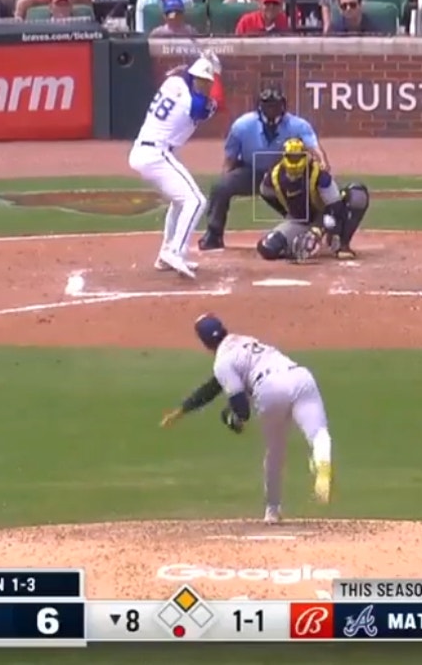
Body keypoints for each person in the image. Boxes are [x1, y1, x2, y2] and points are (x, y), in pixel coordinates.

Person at [161, 313, 334, 522]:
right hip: (300, 377)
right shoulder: (246, 341)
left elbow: (241, 407)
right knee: (318, 433)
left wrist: (234, 419)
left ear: (205, 344)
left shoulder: (222, 361)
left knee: (275, 451)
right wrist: (182, 410)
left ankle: (272, 510)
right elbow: (213, 387)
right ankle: (322, 462)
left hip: (270, 388)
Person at [198, 85, 328, 251]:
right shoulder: (242, 125)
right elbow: (230, 158)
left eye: (275, 105)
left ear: (283, 105)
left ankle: (310, 227)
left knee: (305, 197)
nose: (272, 109)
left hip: (284, 176)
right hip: (251, 172)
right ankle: (213, 235)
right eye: (267, 105)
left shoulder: (298, 125)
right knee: (220, 187)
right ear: (260, 105)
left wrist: (322, 161)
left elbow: (313, 146)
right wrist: (226, 180)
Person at [128, 53, 223, 278]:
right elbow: (214, 102)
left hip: (146, 150)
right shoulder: (196, 105)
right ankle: (176, 252)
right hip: (156, 153)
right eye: (202, 82)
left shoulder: (174, 81)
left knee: (180, 201)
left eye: (206, 83)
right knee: (196, 200)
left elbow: (185, 73)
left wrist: (203, 63)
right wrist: (216, 73)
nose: (204, 87)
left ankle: (165, 254)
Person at [254, 137, 370, 260]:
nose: (295, 161)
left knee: (358, 195)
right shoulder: (274, 176)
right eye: (291, 157)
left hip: (327, 216)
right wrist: (286, 213)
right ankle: (294, 248)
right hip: (300, 220)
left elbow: (335, 206)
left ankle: (342, 244)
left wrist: (320, 228)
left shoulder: (318, 174)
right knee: (267, 248)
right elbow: (266, 194)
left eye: (298, 157)